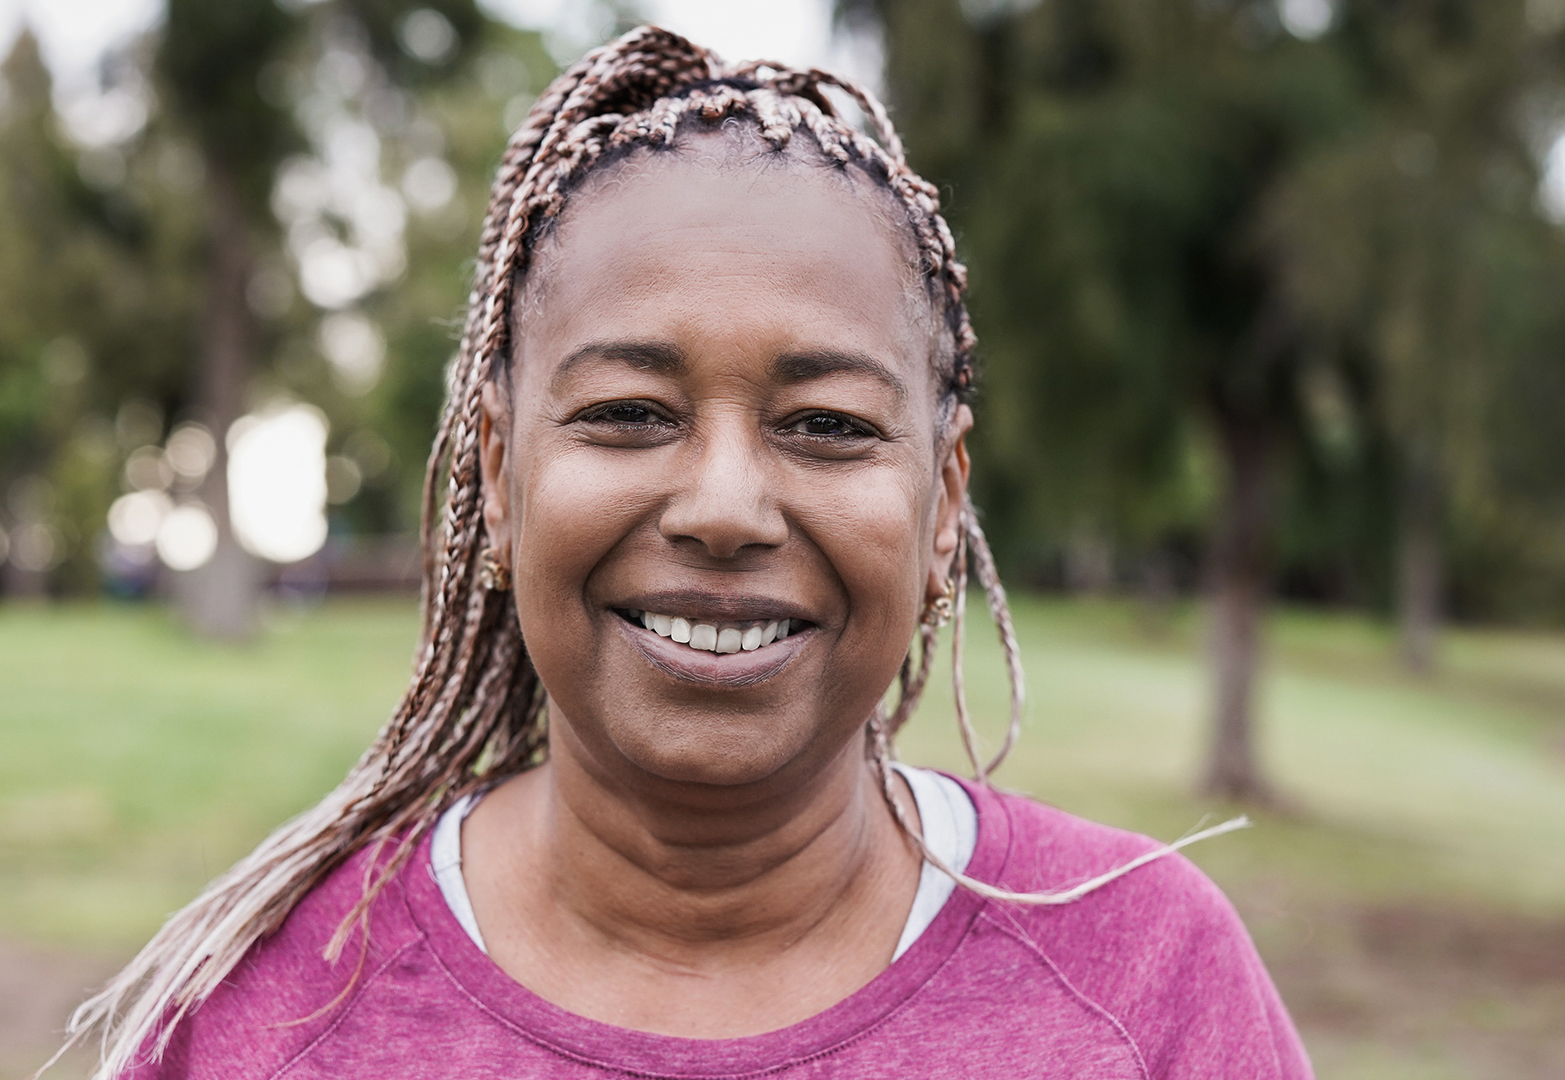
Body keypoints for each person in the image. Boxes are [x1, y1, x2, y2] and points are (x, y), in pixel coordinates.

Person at [65, 26, 1311, 1079]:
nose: (724, 508)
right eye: (628, 414)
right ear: (498, 477)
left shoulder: (1146, 985)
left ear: (943, 508)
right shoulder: (270, 1020)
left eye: (827, 426)